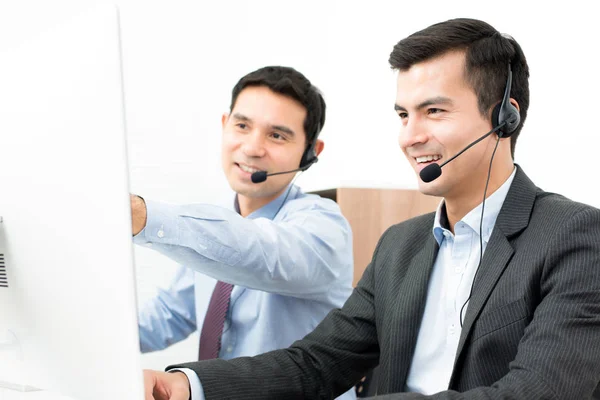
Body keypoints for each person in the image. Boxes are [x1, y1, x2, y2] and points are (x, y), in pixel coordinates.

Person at [143, 18, 600, 399]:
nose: (410, 136)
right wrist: (182, 385)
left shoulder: (574, 236)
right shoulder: (399, 246)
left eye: (434, 111)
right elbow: (317, 363)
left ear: (505, 118)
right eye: (403, 115)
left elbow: (538, 391)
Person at [134, 66, 356, 399]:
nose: (252, 148)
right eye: (242, 126)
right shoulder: (215, 219)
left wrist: (142, 216)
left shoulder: (324, 227)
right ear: (225, 126)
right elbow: (170, 313)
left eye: (277, 135)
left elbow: (258, 251)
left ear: (311, 152)